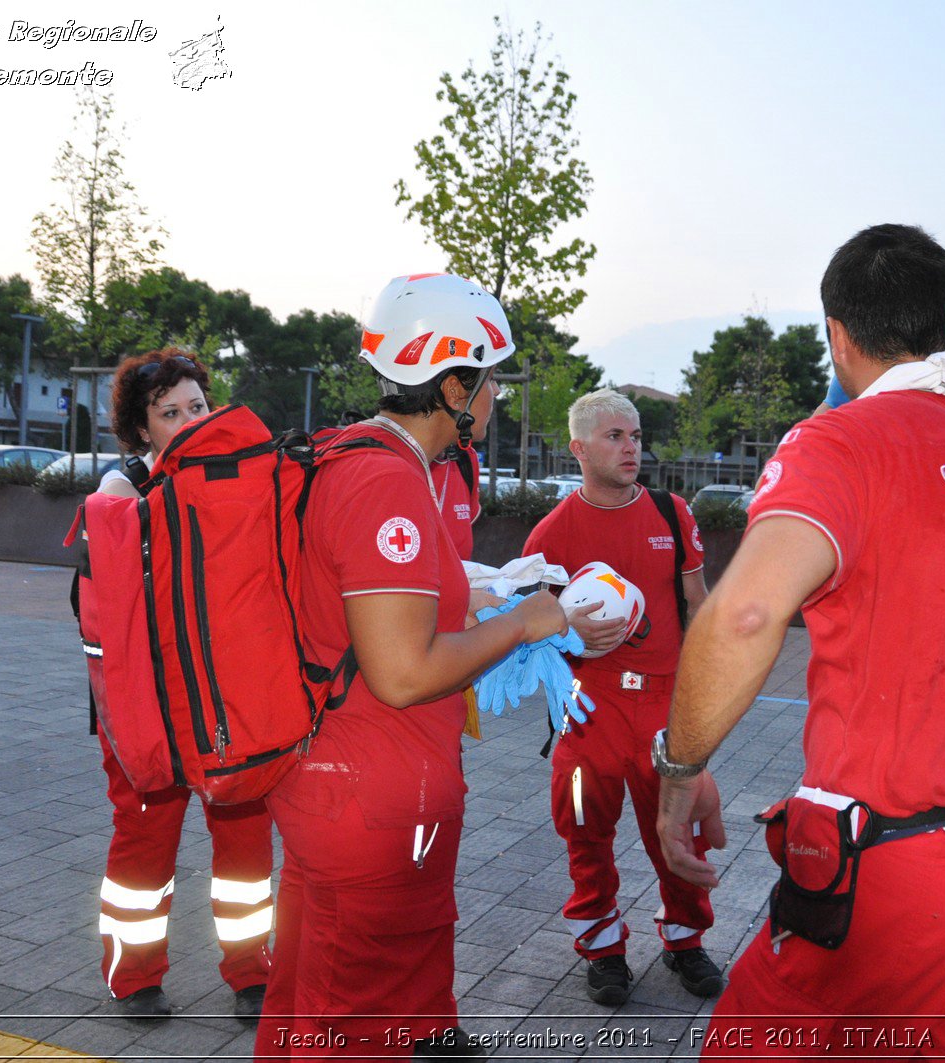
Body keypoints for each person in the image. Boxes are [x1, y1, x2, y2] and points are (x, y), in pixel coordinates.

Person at [656, 224, 945, 1060]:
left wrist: (679, 770)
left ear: (837, 336)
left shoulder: (839, 443)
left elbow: (747, 615)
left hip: (888, 880)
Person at [254, 273, 567, 1060]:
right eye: (489, 379)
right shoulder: (386, 480)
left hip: (335, 782)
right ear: (454, 384)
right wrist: (528, 621)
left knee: (304, 998)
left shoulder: (345, 455)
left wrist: (491, 594)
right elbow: (402, 672)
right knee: (353, 1025)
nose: (494, 398)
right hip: (371, 795)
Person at [522, 388, 723, 1007]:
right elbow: (525, 628)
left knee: (680, 831)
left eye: (634, 436)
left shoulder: (671, 513)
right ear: (579, 449)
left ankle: (685, 941)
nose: (630, 447)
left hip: (665, 704)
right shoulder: (552, 533)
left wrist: (705, 701)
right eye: (614, 437)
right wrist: (566, 631)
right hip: (591, 708)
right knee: (584, 827)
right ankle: (603, 948)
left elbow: (699, 606)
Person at [91, 349, 273, 1021]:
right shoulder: (121, 493)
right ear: (142, 432)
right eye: (171, 412)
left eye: (198, 405)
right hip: (151, 707)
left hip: (227, 704)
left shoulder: (241, 480)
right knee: (143, 843)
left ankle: (252, 972)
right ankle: (132, 975)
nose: (191, 419)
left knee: (247, 846)